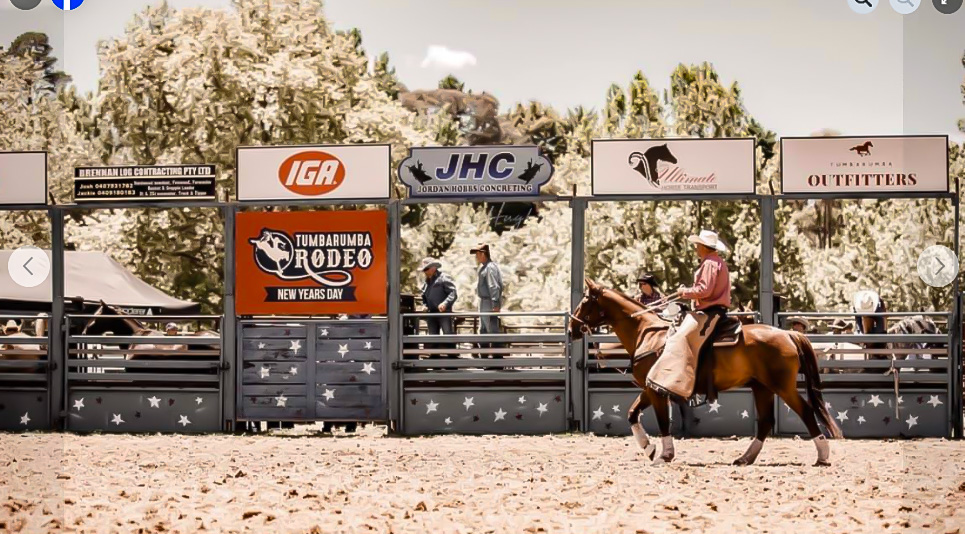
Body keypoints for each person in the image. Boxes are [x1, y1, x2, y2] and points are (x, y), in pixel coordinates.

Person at [646, 229, 731, 402]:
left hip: (708, 313)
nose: (695, 249)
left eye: (697, 245)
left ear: (704, 247)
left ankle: (679, 383)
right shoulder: (716, 262)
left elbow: (704, 290)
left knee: (679, 338)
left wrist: (684, 292)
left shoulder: (709, 263)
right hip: (712, 311)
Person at [419, 257, 458, 358]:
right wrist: (425, 306)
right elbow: (424, 297)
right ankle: (434, 359)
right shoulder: (427, 282)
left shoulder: (444, 277)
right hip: (431, 313)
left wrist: (445, 303)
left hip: (444, 313)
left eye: (426, 269)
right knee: (433, 336)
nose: (424, 272)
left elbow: (453, 293)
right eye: (424, 269)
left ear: (433, 268)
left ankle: (452, 360)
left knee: (448, 334)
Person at [470, 243, 503, 357]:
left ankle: (497, 358)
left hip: (488, 302)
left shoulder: (490, 267)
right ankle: (484, 357)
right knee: (483, 329)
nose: (476, 257)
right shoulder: (484, 267)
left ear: (483, 254)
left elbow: (494, 286)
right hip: (483, 301)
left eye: (477, 254)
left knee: (491, 329)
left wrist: (495, 303)